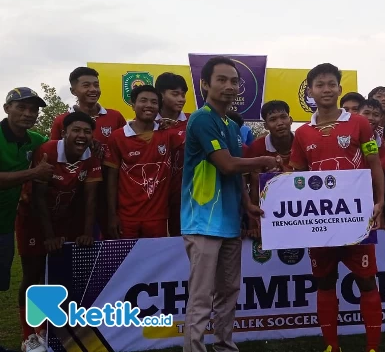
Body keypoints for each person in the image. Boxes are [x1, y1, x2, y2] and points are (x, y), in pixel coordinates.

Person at [180, 56, 279, 352]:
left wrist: (247, 203)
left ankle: (224, 346)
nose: (228, 86)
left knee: (229, 292)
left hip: (230, 222)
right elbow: (227, 165)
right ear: (205, 84)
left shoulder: (229, 125)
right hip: (202, 222)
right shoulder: (202, 118)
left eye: (234, 81)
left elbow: (235, 173)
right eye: (221, 80)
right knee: (201, 298)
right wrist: (263, 161)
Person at [289, 63, 385, 352]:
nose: (326, 89)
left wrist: (379, 201)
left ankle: (372, 347)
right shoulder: (302, 133)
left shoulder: (359, 123)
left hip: (356, 218)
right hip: (320, 223)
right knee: (325, 281)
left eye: (331, 84)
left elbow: (374, 164)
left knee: (367, 281)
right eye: (320, 85)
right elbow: (297, 177)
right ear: (311, 92)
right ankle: (332, 345)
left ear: (340, 89)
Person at [15, 112, 100, 352]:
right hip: (33, 220)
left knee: (57, 277)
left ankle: (51, 329)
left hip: (65, 221)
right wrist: (48, 235)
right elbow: (38, 198)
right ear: (64, 133)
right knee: (33, 276)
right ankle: (28, 335)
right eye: (76, 130)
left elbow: (90, 197)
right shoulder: (48, 150)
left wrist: (86, 232)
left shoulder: (90, 156)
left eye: (86, 131)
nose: (81, 135)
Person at [0, 87, 52, 352]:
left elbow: (59, 144)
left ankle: (35, 333)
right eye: (21, 107)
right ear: (7, 108)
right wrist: (33, 174)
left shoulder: (35, 140)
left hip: (6, 224)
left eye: (33, 109)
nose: (28, 113)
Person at [50, 67, 126, 240]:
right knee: (78, 240)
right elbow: (54, 157)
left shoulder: (115, 117)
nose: (93, 89)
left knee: (113, 239)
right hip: (76, 192)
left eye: (96, 85)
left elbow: (125, 147)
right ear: (73, 90)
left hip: (110, 189)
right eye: (86, 85)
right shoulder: (61, 121)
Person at [103, 85, 183, 239]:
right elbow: (111, 179)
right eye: (143, 101)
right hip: (127, 217)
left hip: (158, 217)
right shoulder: (117, 137)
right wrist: (112, 215)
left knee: (155, 262)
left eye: (154, 102)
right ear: (133, 105)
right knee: (128, 261)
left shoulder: (168, 134)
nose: (149, 105)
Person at [245, 100, 294, 239]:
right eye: (273, 119)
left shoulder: (304, 142)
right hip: (269, 211)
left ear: (290, 120)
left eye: (283, 117)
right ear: (266, 125)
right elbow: (253, 185)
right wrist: (253, 224)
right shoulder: (257, 147)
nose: (279, 123)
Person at [155, 72, 190, 237]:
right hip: (153, 199)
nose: (181, 99)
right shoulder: (146, 123)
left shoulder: (194, 121)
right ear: (160, 95)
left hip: (187, 198)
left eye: (183, 94)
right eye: (175, 94)